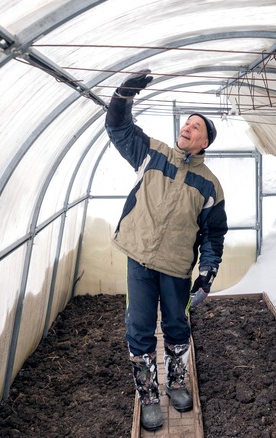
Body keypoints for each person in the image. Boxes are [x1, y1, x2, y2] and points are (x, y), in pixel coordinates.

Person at [105, 69, 228, 431]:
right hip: (139, 259)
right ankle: (148, 396)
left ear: (205, 142)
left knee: (176, 326)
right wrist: (124, 94)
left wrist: (207, 273)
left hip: (176, 268)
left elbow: (213, 234)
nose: (187, 128)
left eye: (196, 127)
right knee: (139, 328)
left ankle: (175, 383)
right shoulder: (153, 154)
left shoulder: (210, 185)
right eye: (186, 123)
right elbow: (118, 129)